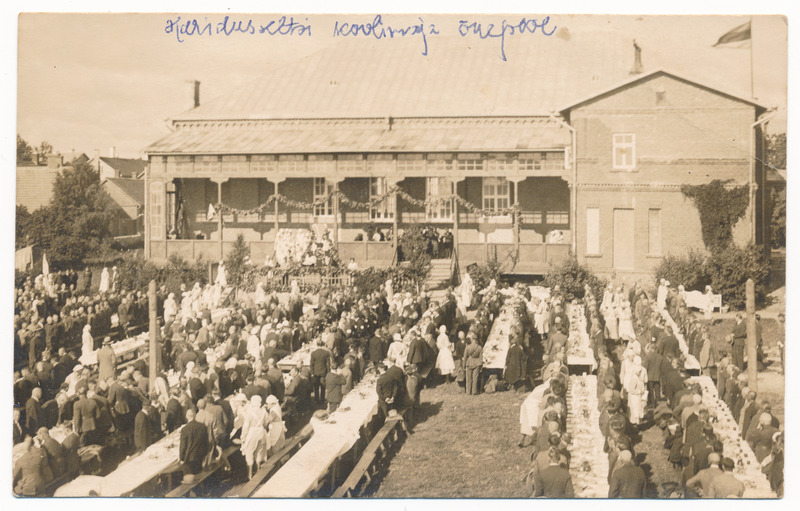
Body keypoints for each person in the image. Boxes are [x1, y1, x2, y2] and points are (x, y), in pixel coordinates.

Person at [180, 408, 210, 476]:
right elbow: (206, 442)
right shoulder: (202, 426)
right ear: (195, 415)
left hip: (190, 457)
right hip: (200, 454)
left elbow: (183, 446)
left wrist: (182, 457)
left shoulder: (185, 429)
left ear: (186, 416)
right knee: (199, 473)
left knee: (190, 475)